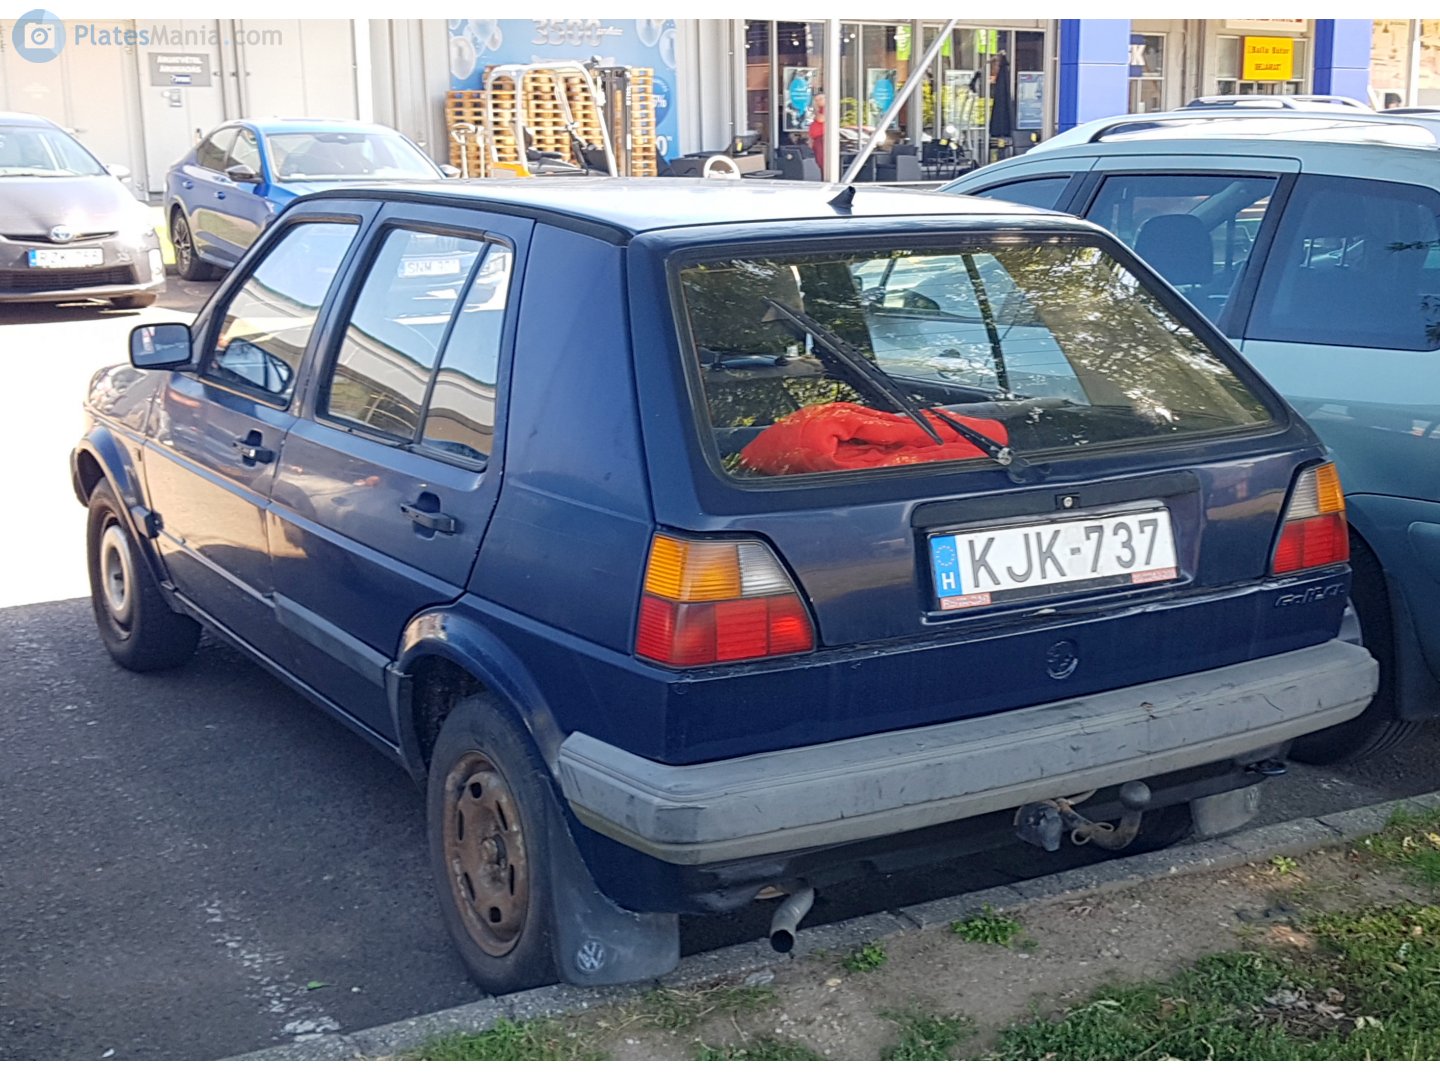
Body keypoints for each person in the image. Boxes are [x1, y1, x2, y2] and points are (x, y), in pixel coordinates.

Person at [808, 93, 826, 178]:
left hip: (822, 138)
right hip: (816, 139)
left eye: (820, 99)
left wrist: (815, 111)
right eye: (816, 100)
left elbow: (821, 119)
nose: (818, 102)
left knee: (822, 160)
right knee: (819, 160)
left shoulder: (827, 109)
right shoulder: (820, 110)